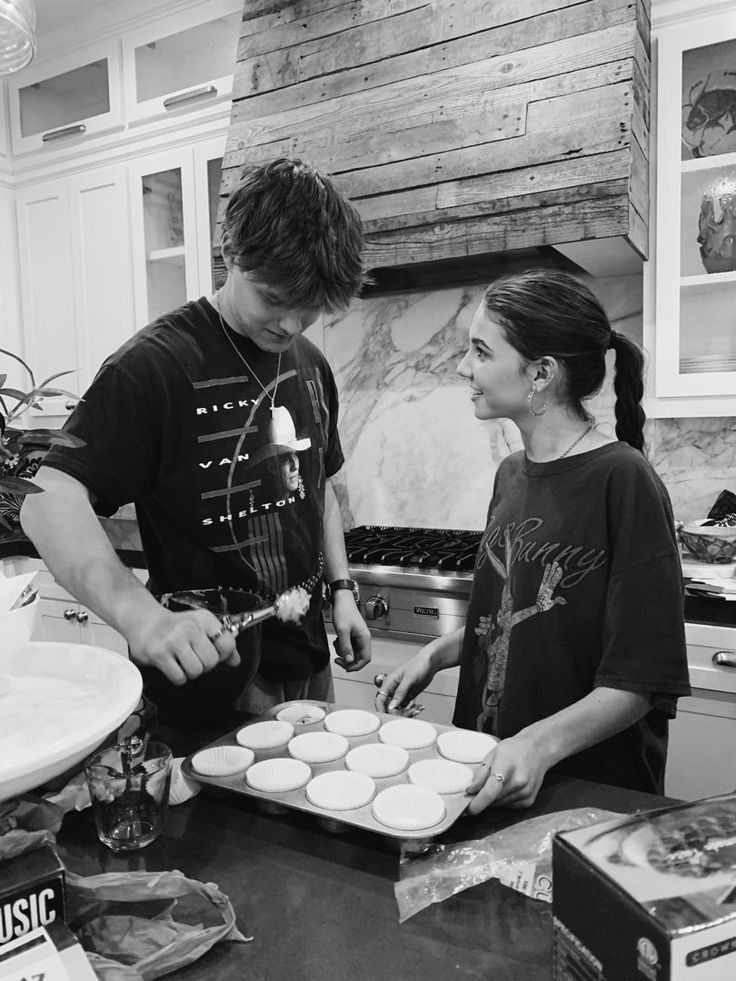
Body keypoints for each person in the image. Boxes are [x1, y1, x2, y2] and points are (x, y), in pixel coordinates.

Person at [20, 156, 372, 745]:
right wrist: (141, 617)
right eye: (274, 298)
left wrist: (341, 590)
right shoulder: (155, 366)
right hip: (212, 677)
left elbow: (317, 489)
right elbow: (47, 496)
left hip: (308, 664)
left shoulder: (311, 364)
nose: (290, 324)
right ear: (230, 255)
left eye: (309, 308)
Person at [376, 269, 690, 812]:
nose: (461, 367)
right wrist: (433, 655)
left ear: (541, 373)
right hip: (495, 766)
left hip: (585, 791)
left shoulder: (624, 479)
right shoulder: (511, 474)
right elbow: (512, 619)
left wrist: (537, 746)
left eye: (480, 351)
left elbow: (642, 679)